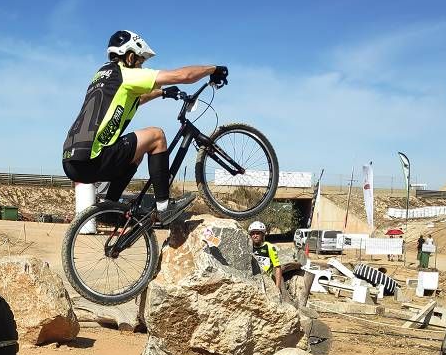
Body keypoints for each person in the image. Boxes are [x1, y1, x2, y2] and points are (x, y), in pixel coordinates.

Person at [62, 29, 228, 225]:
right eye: (141, 62)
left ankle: (110, 207)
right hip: (94, 158)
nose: (141, 67)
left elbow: (134, 100)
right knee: (156, 136)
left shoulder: (103, 75)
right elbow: (183, 75)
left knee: (137, 152)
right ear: (130, 56)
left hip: (72, 161)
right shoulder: (127, 74)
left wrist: (162, 93)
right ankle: (164, 207)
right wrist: (213, 69)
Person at [249, 221, 283, 290]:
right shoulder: (249, 247)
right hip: (252, 281)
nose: (255, 236)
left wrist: (277, 287)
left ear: (263, 234)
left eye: (258, 233)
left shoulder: (269, 247)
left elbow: (278, 267)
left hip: (266, 282)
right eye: (253, 233)